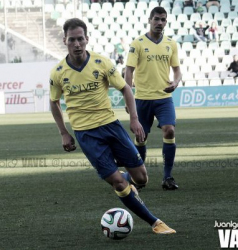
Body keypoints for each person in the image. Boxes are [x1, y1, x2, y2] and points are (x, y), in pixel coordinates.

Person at [49, 18, 176, 234]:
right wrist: (64, 133)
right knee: (117, 182)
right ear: (65, 41)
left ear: (87, 39)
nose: (77, 44)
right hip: (87, 135)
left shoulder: (102, 63)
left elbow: (126, 88)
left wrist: (134, 119)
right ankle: (155, 223)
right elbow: (54, 102)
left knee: (141, 178)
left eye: (80, 39)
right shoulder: (59, 72)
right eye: (72, 40)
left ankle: (129, 182)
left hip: (111, 127)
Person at [125, 7, 182, 190]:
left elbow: (177, 69)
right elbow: (129, 71)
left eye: (163, 20)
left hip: (164, 97)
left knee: (169, 130)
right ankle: (138, 177)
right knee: (141, 137)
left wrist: (176, 82)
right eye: (156, 19)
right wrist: (129, 98)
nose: (159, 23)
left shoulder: (171, 44)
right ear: (150, 20)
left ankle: (168, 177)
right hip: (142, 98)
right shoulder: (138, 44)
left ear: (166, 22)